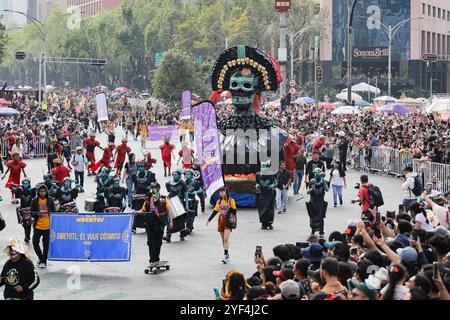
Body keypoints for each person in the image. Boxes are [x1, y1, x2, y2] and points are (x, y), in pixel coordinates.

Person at [139, 183, 173, 269]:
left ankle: (157, 260)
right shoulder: (148, 200)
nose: (153, 190)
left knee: (158, 242)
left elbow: (169, 210)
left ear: (158, 189)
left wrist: (170, 222)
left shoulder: (164, 198)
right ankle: (152, 261)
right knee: (151, 242)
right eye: (152, 188)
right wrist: (135, 212)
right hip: (150, 224)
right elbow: (143, 210)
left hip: (160, 223)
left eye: (154, 188)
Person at [206, 188, 237, 264]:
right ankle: (226, 253)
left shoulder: (230, 200)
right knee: (223, 239)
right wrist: (208, 220)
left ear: (226, 192)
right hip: (221, 221)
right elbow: (215, 211)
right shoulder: (218, 201)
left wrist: (229, 207)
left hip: (228, 221)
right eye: (220, 192)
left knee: (226, 239)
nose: (221, 193)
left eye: (222, 191)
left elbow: (235, 211)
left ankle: (226, 256)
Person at [31, 184, 56, 268]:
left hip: (47, 227)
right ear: (38, 192)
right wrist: (36, 214)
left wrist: (50, 213)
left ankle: (44, 261)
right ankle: (41, 258)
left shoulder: (50, 200)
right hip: (37, 226)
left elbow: (54, 211)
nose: (42, 193)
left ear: (46, 192)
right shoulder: (34, 200)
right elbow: (32, 213)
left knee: (46, 245)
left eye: (44, 191)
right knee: (35, 242)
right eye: (41, 191)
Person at [131, 161, 156, 233]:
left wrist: (150, 187)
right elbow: (134, 185)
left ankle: (147, 226)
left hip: (147, 196)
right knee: (136, 212)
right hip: (138, 196)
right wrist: (133, 192)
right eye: (139, 167)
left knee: (147, 212)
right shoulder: (134, 175)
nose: (141, 168)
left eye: (142, 166)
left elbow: (154, 184)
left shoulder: (150, 175)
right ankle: (134, 227)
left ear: (145, 167)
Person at [164, 170, 188, 242]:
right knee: (170, 219)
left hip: (179, 203)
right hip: (171, 202)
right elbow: (169, 192)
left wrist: (186, 205)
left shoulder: (182, 183)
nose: (174, 176)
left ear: (179, 175)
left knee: (180, 220)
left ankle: (182, 234)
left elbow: (186, 194)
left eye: (176, 175)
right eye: (173, 174)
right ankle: (168, 235)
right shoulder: (169, 183)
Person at [10, 179, 36, 243]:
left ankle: (27, 236)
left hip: (29, 209)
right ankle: (27, 235)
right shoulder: (19, 190)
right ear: (22, 184)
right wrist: (11, 186)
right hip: (22, 209)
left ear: (29, 184)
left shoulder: (32, 190)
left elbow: (36, 196)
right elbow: (13, 189)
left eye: (27, 183)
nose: (25, 184)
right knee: (24, 224)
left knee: (29, 223)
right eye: (24, 183)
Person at [256, 161, 277, 230]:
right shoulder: (258, 175)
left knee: (270, 209)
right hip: (262, 194)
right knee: (262, 209)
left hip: (270, 194)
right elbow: (257, 183)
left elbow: (276, 182)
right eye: (262, 166)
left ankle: (270, 223)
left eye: (265, 166)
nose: (263, 168)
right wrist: (257, 186)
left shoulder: (272, 175)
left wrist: (272, 185)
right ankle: (263, 223)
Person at [184, 169, 202, 234]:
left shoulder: (196, 182)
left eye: (189, 174)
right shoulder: (183, 182)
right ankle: (188, 226)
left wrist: (196, 191)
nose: (187, 175)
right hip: (185, 200)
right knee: (186, 215)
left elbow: (201, 190)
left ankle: (189, 227)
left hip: (193, 200)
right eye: (186, 174)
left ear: (192, 175)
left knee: (192, 215)